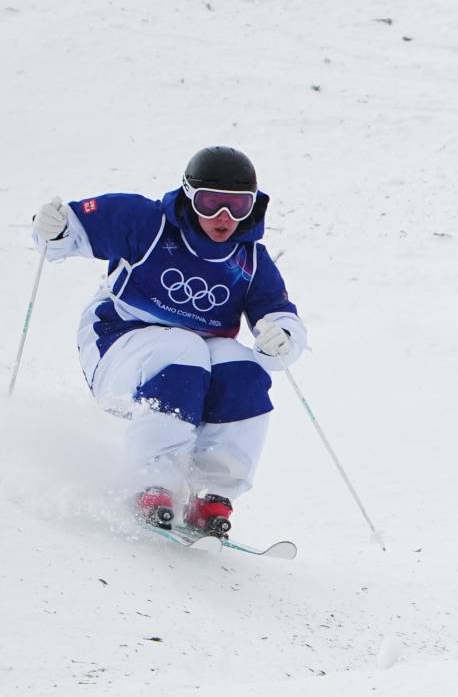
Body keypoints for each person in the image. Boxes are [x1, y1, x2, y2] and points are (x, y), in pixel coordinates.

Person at [30, 146, 307, 537]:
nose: (224, 218)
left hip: (194, 362)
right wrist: (53, 227)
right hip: (117, 342)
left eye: (238, 206)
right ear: (189, 196)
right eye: (210, 203)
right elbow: (66, 234)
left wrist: (282, 338)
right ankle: (152, 482)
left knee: (243, 367)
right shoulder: (147, 224)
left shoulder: (251, 262)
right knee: (183, 350)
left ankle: (210, 492)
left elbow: (281, 317)